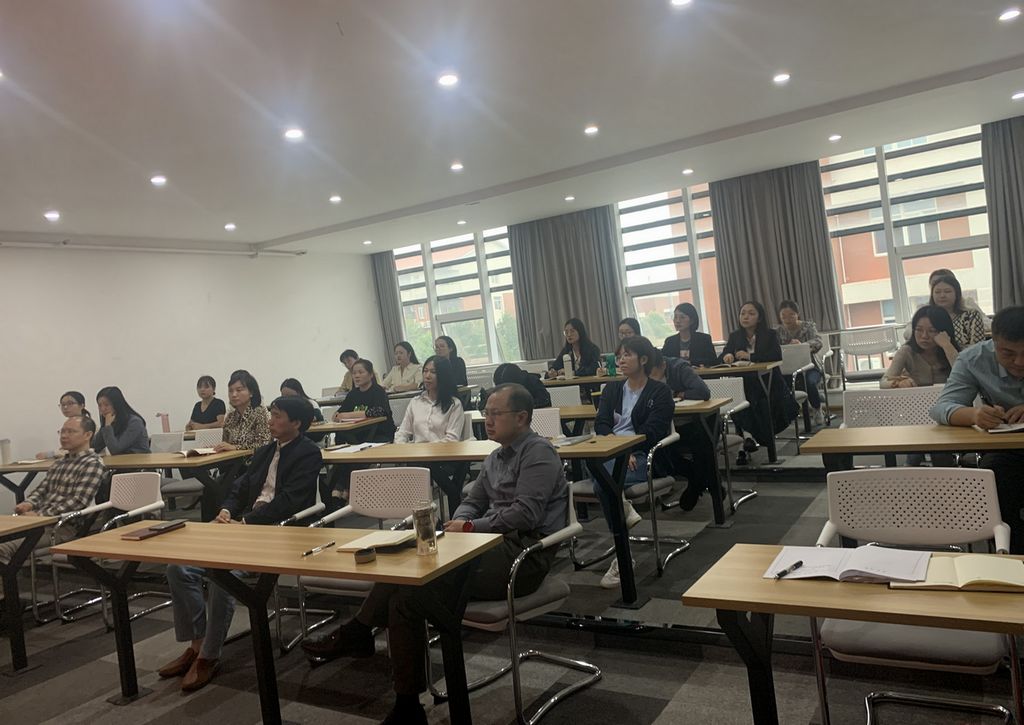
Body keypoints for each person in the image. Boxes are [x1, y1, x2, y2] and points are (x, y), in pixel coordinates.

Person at [301, 383, 567, 725]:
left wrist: (470, 527)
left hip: (524, 555)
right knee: (406, 582)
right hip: (485, 546)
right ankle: (405, 701)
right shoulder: (495, 457)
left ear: (521, 417)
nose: (487, 420)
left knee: (410, 589)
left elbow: (525, 515)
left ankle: (363, 635)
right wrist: (462, 520)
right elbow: (473, 500)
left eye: (495, 414)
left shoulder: (538, 453)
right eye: (485, 413)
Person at [158, 396, 321, 693]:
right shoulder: (265, 451)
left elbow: (290, 501)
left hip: (279, 532)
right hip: (242, 527)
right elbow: (240, 487)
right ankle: (196, 645)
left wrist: (245, 522)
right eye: (271, 413)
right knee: (177, 568)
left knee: (223, 577)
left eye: (278, 415)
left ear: (296, 423)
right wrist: (226, 511)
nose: (270, 420)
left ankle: (209, 655)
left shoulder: (308, 453)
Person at [930, 306, 1024, 551]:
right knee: (993, 478)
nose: (1019, 362)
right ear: (994, 342)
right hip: (1008, 453)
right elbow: (941, 408)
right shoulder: (974, 359)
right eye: (1008, 353)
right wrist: (974, 414)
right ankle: (1012, 553)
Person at [593, 336, 674, 589]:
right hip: (613, 454)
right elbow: (601, 424)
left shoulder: (660, 392)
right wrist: (617, 449)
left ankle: (622, 554)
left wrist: (627, 449)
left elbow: (654, 431)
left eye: (627, 355)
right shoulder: (612, 389)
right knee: (598, 469)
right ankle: (624, 527)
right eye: (619, 356)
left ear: (644, 359)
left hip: (643, 456)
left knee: (602, 482)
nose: (621, 360)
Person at [2, 416, 105, 565]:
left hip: (62, 526)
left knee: (3, 547)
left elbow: (77, 502)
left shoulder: (92, 463)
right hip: (39, 522)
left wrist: (40, 515)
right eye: (62, 431)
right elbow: (41, 490)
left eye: (71, 431)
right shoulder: (59, 463)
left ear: (88, 435)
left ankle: (8, 579)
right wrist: (28, 503)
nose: (64, 436)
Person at [720, 301, 794, 464]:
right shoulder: (735, 336)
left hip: (769, 382)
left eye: (751, 313)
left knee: (750, 399)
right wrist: (727, 356)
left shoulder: (769, 335)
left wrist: (750, 357)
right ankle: (748, 438)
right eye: (743, 313)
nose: (745, 317)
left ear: (759, 318)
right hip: (744, 382)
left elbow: (775, 356)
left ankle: (747, 438)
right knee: (739, 397)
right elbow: (724, 355)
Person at [648, 350, 718, 511]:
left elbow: (703, 392)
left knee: (702, 447)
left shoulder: (679, 368)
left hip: (699, 423)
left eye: (654, 373)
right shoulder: (641, 374)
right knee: (657, 450)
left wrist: (677, 393)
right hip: (669, 427)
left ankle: (700, 485)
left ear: (663, 365)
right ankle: (699, 479)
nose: (652, 378)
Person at [394, 356, 465, 512]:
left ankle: (442, 510)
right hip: (417, 457)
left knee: (426, 464)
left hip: (444, 458)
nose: (427, 376)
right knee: (420, 465)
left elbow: (452, 439)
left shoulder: (454, 404)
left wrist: (424, 451)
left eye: (433, 372)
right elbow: (403, 432)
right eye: (425, 371)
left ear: (443, 375)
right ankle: (434, 516)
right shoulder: (415, 402)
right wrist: (402, 448)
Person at [325, 359, 397, 508]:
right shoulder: (353, 394)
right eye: (354, 373)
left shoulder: (378, 391)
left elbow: (379, 411)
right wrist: (340, 415)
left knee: (357, 453)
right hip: (357, 436)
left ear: (370, 374)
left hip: (379, 435)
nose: (356, 376)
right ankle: (341, 491)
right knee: (346, 454)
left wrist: (349, 415)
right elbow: (338, 414)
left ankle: (343, 490)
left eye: (360, 372)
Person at [881, 306, 959, 389]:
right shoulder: (906, 351)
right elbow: (883, 382)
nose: (924, 336)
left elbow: (964, 375)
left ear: (944, 332)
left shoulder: (951, 349)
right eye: (919, 330)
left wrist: (947, 346)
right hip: (915, 397)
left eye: (932, 330)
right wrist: (898, 383)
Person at [775, 300, 826, 426]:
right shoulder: (778, 331)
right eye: (783, 316)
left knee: (809, 382)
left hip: (810, 367)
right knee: (778, 384)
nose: (787, 319)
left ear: (797, 314)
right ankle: (788, 413)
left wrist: (802, 345)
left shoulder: (808, 327)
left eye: (791, 315)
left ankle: (817, 408)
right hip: (788, 369)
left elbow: (818, 342)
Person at [214, 370, 271, 452]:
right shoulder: (230, 417)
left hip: (254, 459)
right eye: (230, 391)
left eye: (239, 390)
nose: (234, 395)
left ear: (251, 392)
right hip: (231, 458)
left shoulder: (260, 412)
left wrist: (236, 447)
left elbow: (264, 444)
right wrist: (218, 447)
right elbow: (225, 443)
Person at [929, 274, 986, 349]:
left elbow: (978, 349)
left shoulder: (971, 316)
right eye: (937, 292)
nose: (942, 295)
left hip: (966, 356)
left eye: (947, 291)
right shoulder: (927, 317)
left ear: (957, 294)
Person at [93, 386, 150, 454]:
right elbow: (94, 446)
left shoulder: (134, 422)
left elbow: (115, 449)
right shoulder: (110, 422)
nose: (102, 409)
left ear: (117, 404)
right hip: (120, 460)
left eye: (107, 405)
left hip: (139, 459)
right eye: (100, 405)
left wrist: (107, 426)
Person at [35, 390, 91, 459]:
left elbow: (79, 450)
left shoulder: (88, 425)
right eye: (63, 405)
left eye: (70, 403)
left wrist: (51, 454)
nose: (65, 407)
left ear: (82, 405)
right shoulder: (67, 424)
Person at [661, 302, 717, 367]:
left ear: (692, 320)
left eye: (682, 317)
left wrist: (691, 362)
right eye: (675, 317)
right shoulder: (670, 341)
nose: (677, 321)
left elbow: (713, 361)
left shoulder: (704, 339)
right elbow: (662, 360)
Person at [478, 363, 551, 412]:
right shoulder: (501, 385)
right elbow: (482, 407)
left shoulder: (532, 381)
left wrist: (518, 406)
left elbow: (545, 401)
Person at [281, 378, 326, 442]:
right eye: (283, 397)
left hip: (312, 438)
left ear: (299, 393)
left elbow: (314, 418)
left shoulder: (311, 404)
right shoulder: (282, 407)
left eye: (290, 396)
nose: (287, 399)